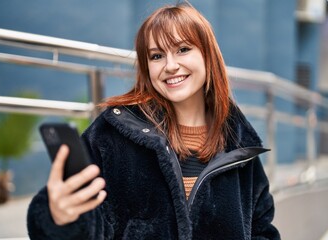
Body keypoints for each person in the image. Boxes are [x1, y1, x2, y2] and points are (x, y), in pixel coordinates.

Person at [27, 3, 280, 239]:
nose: (170, 66)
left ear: (208, 56)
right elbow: (86, 218)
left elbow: (261, 229)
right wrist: (58, 216)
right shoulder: (113, 132)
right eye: (157, 56)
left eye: (182, 49)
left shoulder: (239, 145)